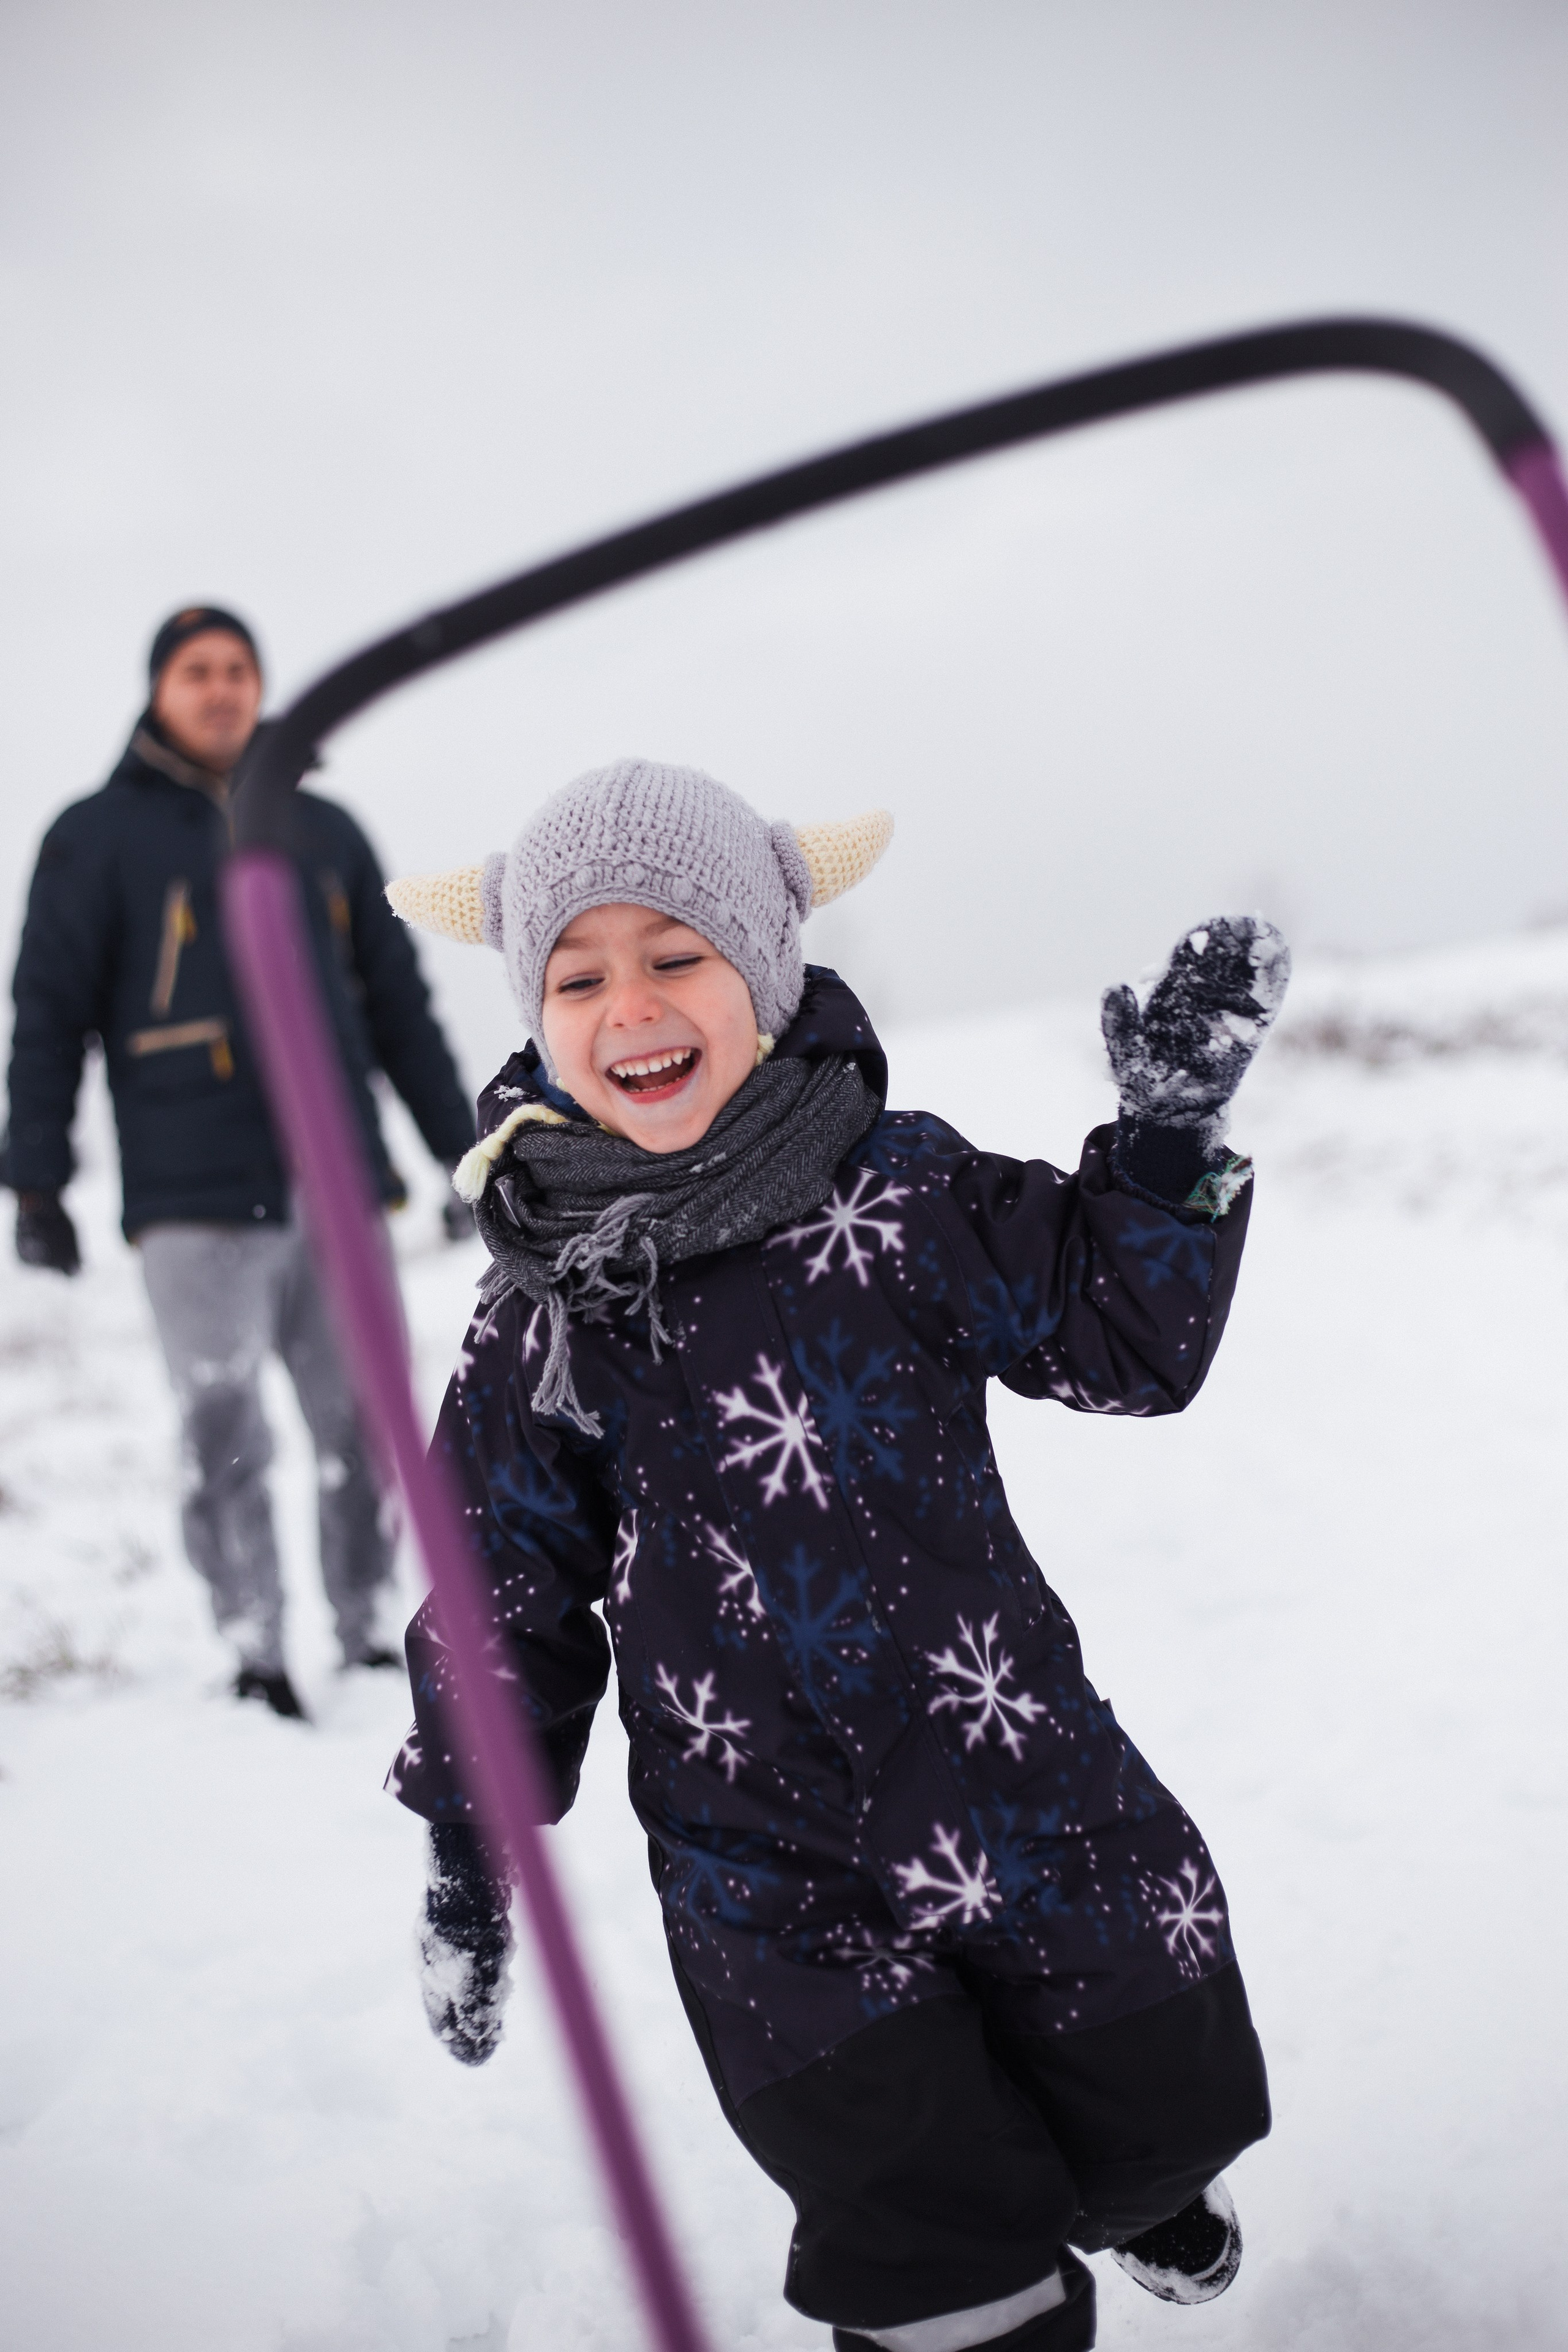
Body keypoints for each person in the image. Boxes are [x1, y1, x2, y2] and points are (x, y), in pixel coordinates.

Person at [383, 759, 1289, 2350]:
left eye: (679, 954)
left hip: (1018, 1779)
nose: (632, 1004)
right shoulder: (552, 1303)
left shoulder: (899, 1190)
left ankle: (1134, 2183)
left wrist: (1161, 1145)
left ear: (766, 970)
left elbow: (1119, 1336)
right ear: (535, 1014)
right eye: (579, 973)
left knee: (1154, 2094)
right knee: (933, 2255)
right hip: (767, 1871)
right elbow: (499, 1589)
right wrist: (471, 1841)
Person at [2, 605, 478, 1719]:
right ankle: (253, 1642)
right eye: (196, 671)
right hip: (190, 1185)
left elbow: (399, 1007)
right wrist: (37, 1180)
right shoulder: (96, 835)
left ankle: (362, 1630)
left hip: (334, 1176)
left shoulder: (324, 831)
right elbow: (48, 1011)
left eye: (239, 670)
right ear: (158, 690)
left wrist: (461, 1154)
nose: (221, 690)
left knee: (359, 1414)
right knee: (223, 1419)